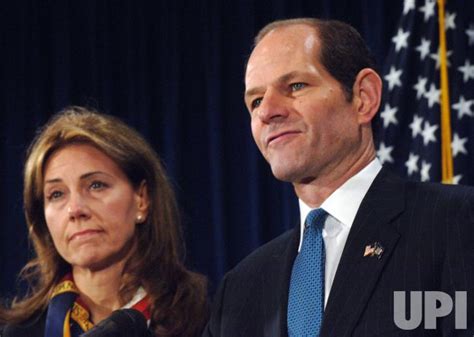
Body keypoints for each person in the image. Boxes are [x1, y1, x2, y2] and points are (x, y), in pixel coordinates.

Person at [203, 18, 474, 337]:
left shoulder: (456, 223)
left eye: (295, 86)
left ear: (364, 97)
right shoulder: (240, 289)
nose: (267, 112)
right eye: (256, 100)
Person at [0, 106, 208, 337]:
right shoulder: (20, 333)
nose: (75, 209)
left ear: (142, 199)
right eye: (56, 194)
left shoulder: (202, 321)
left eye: (96, 185)